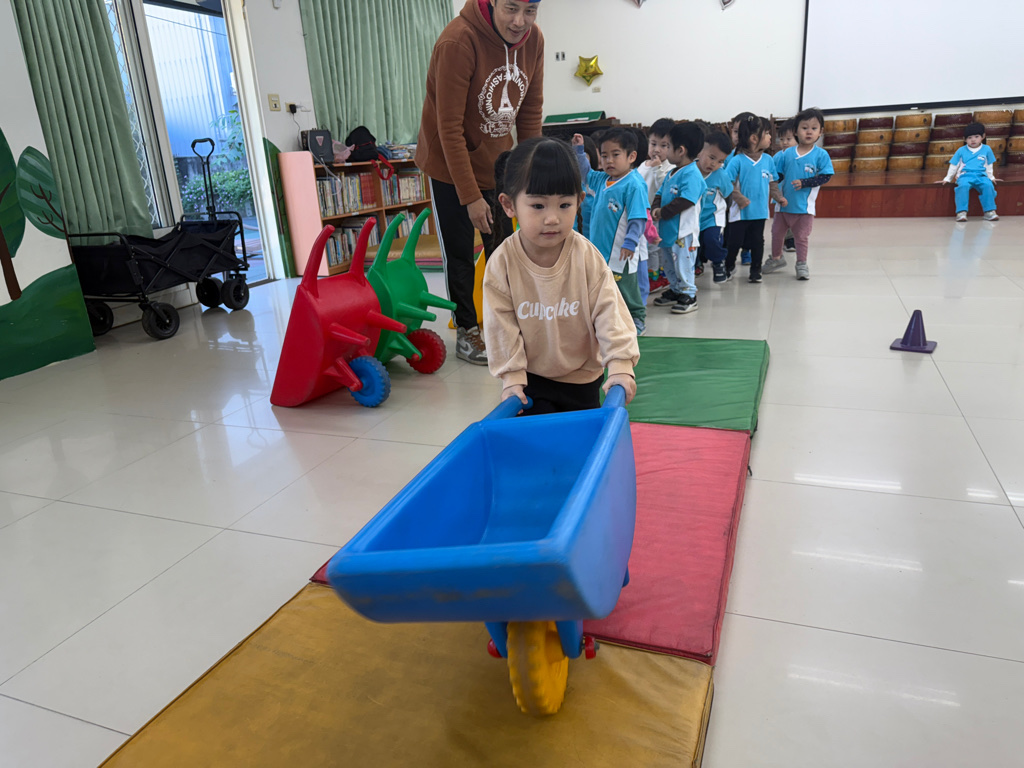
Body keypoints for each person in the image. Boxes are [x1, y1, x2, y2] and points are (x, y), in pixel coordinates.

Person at [416, 0, 545, 365]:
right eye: (511, 8)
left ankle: (507, 322)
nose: (520, 21)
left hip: (498, 161)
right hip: (449, 164)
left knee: (504, 247)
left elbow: (530, 112)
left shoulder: (534, 40)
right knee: (460, 250)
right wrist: (470, 196)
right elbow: (449, 128)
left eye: (530, 10)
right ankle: (467, 328)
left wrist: (531, 177)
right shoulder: (458, 41)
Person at [483, 137, 639, 415]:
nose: (552, 218)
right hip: (531, 380)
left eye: (564, 205)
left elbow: (609, 311)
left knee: (582, 438)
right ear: (509, 205)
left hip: (583, 378)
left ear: (579, 201)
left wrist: (620, 363)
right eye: (538, 206)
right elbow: (500, 325)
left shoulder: (586, 256)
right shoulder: (502, 263)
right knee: (538, 440)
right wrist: (511, 377)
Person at [572, 128, 649, 335]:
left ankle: (636, 316)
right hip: (601, 249)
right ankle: (609, 317)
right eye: (604, 156)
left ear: (631, 156)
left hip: (621, 251)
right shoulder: (602, 179)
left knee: (626, 286)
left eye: (615, 155)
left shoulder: (634, 184)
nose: (609, 161)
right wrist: (579, 151)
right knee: (603, 285)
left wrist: (630, 242)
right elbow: (586, 173)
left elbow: (638, 217)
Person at [763, 108, 834, 281]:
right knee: (776, 233)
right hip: (783, 205)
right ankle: (776, 258)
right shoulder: (786, 154)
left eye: (814, 128)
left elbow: (825, 176)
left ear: (820, 132)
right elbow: (778, 175)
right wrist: (768, 186)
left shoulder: (821, 154)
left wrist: (805, 182)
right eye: (804, 128)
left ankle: (801, 263)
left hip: (804, 207)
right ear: (796, 131)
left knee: (801, 237)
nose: (809, 132)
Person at [650, 122, 707, 314]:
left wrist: (663, 212)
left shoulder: (692, 174)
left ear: (681, 150)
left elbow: (686, 200)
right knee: (669, 264)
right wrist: (656, 207)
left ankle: (689, 294)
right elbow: (660, 193)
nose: (664, 150)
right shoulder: (671, 173)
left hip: (684, 233)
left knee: (683, 264)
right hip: (668, 230)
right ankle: (675, 290)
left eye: (667, 146)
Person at [725, 115, 786, 283]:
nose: (770, 137)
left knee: (758, 242)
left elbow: (773, 182)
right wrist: (739, 198)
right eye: (766, 133)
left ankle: (755, 270)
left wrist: (778, 197)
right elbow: (726, 183)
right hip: (740, 213)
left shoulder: (768, 160)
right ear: (753, 138)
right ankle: (728, 267)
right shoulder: (737, 161)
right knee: (734, 242)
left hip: (760, 212)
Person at [638, 118, 675, 292]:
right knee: (645, 247)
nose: (657, 149)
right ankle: (653, 275)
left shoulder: (668, 168)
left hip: (655, 215)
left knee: (653, 248)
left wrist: (657, 168)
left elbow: (664, 187)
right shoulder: (642, 165)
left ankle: (656, 277)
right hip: (640, 214)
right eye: (653, 144)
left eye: (664, 145)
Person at [937, 122, 1001, 222]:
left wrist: (991, 177)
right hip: (965, 175)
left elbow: (989, 165)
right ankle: (961, 212)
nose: (973, 140)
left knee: (988, 186)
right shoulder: (961, 150)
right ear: (964, 139)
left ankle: (989, 211)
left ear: (983, 136)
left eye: (976, 137)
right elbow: (954, 165)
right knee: (963, 186)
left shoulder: (987, 149)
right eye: (969, 137)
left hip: (981, 175)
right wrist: (947, 178)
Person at [695, 131, 734, 284]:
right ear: (700, 151)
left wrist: (724, 213)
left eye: (720, 161)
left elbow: (728, 194)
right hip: (693, 217)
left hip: (712, 216)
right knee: (692, 243)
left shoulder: (720, 175)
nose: (714, 164)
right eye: (712, 158)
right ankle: (696, 264)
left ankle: (718, 262)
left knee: (712, 240)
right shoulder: (690, 171)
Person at [775, 119, 798, 253]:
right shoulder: (777, 156)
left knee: (794, 216)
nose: (784, 142)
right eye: (781, 139)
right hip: (780, 192)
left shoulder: (799, 155)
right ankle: (782, 238)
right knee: (782, 217)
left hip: (794, 192)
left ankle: (791, 239)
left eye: (789, 139)